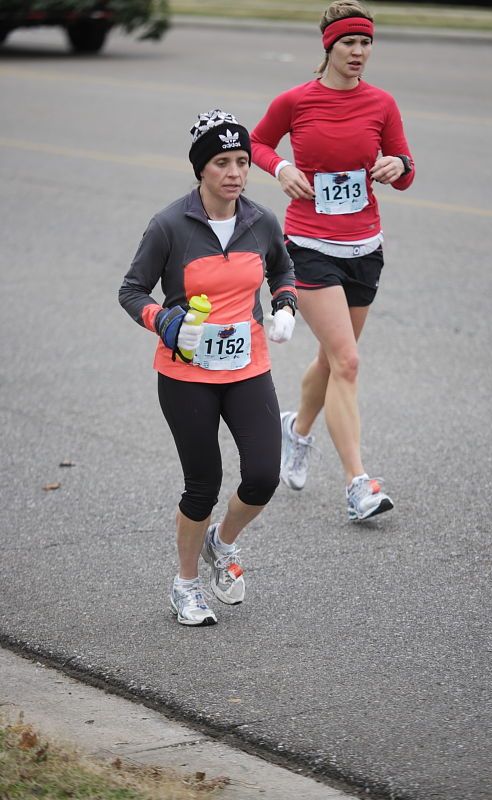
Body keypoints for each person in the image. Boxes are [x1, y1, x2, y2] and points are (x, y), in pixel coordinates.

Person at [119, 109, 297, 626]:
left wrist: (284, 303)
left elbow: (282, 266)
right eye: (222, 162)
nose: (236, 172)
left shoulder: (260, 220)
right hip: (186, 375)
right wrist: (166, 323)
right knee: (203, 483)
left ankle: (224, 541)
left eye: (242, 161)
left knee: (263, 475)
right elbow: (131, 291)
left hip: (248, 366)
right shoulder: (169, 225)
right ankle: (186, 584)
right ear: (201, 169)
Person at [251, 0, 415, 522]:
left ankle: (296, 430)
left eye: (367, 43)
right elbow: (256, 142)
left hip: (365, 248)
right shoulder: (296, 101)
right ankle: (358, 484)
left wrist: (397, 164)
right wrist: (280, 168)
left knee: (329, 360)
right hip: (309, 246)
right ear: (329, 46)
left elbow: (407, 169)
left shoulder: (382, 103)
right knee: (347, 361)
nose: (360, 52)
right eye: (350, 43)